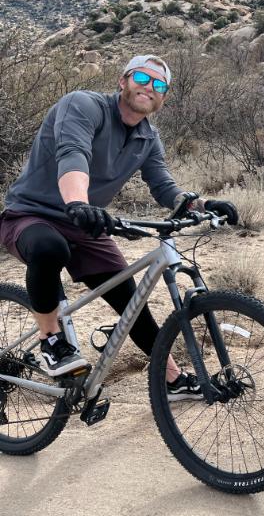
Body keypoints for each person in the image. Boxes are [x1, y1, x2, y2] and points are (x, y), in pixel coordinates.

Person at [0, 55, 238, 400]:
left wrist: (199, 204)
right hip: (32, 214)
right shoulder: (83, 105)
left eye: (159, 85)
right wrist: (78, 203)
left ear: (163, 99)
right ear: (122, 81)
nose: (149, 87)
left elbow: (162, 185)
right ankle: (50, 340)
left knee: (131, 301)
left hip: (86, 222)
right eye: (142, 77)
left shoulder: (148, 137)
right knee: (49, 248)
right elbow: (73, 153)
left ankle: (170, 378)